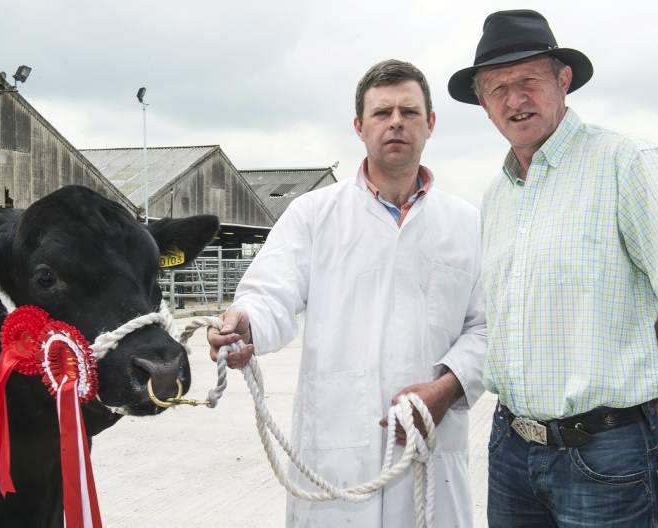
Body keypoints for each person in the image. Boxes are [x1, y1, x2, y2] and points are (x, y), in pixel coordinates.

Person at [207, 59, 486, 527]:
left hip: (430, 451)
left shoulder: (467, 224)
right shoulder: (313, 215)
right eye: (381, 112)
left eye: (409, 111)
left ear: (431, 123)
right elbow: (270, 292)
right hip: (335, 451)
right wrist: (245, 323)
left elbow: (486, 326)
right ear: (359, 126)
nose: (395, 122)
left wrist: (446, 389)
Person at [448, 9, 658, 526]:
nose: (515, 100)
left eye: (528, 81)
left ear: (563, 80)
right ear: (483, 104)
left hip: (607, 452)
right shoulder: (498, 196)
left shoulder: (626, 162)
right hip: (510, 448)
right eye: (497, 88)